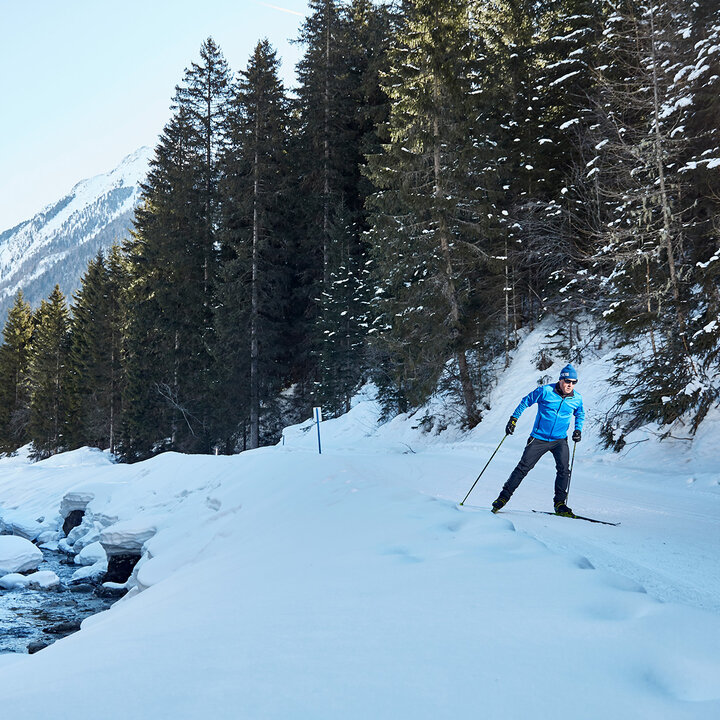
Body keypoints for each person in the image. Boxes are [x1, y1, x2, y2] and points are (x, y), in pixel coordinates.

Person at [491, 364, 584, 516]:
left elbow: (580, 413)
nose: (570, 385)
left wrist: (578, 429)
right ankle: (502, 498)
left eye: (574, 382)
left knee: (564, 470)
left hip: (560, 440)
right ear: (561, 380)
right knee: (523, 468)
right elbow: (525, 401)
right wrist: (513, 419)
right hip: (539, 438)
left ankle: (560, 504)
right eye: (568, 381)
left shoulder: (577, 398)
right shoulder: (545, 391)